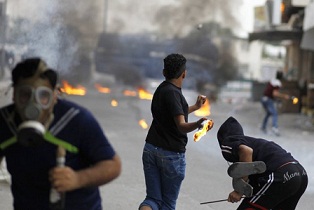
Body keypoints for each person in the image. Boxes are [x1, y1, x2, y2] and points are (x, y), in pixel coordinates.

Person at [0, 58, 121, 210]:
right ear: (13, 95)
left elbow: (113, 165)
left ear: (55, 96)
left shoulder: (77, 120)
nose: (33, 105)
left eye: (43, 96)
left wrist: (78, 179)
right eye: (25, 94)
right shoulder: (4, 123)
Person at [139, 53, 210, 210]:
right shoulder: (174, 93)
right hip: (170, 154)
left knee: (152, 199)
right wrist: (198, 124)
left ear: (164, 73)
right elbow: (181, 125)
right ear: (184, 73)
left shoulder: (162, 89)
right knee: (168, 204)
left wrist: (195, 108)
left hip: (151, 149)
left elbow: (174, 112)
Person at [217, 116, 308, 210]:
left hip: (282, 173)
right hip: (300, 174)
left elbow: (247, 151)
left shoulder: (229, 141)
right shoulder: (253, 142)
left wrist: (239, 190)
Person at [261, 70, 291, 136]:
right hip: (268, 99)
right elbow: (275, 93)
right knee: (274, 113)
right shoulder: (277, 83)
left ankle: (263, 127)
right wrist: (284, 96)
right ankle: (275, 127)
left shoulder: (272, 80)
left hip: (263, 99)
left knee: (269, 113)